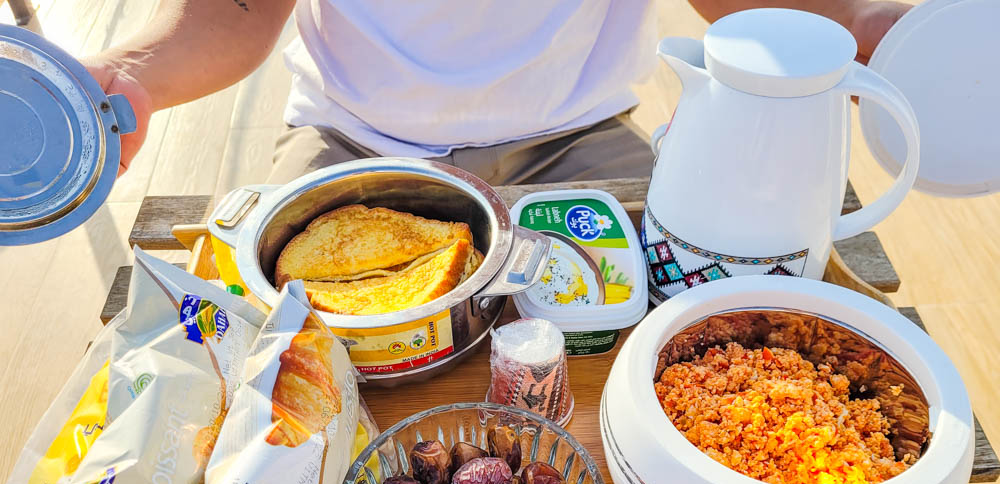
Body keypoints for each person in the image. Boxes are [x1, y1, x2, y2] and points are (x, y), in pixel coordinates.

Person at [82, 0, 910, 186]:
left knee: (687, 341)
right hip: (353, 137)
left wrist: (860, 27)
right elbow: (235, 9)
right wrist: (133, 75)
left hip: (579, 135)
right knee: (289, 374)